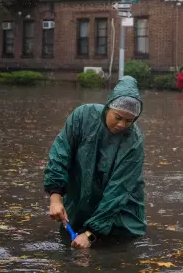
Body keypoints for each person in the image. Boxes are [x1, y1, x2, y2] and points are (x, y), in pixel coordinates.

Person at [43, 76, 146, 249]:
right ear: (108, 108)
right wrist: (55, 198)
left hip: (119, 216)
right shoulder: (82, 117)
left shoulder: (134, 142)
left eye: (129, 121)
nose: (122, 125)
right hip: (80, 203)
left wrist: (91, 234)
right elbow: (60, 155)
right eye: (118, 117)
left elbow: (119, 190)